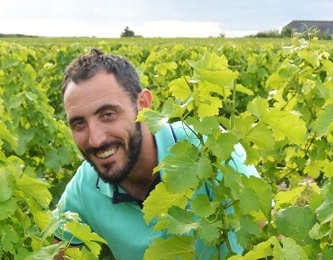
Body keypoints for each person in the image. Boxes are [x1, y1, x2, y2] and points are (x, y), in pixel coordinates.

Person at [52, 49, 259, 260]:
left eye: (108, 115)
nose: (95, 139)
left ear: (143, 105)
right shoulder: (84, 186)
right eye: (79, 123)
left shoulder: (211, 150)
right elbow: (55, 254)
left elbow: (269, 237)